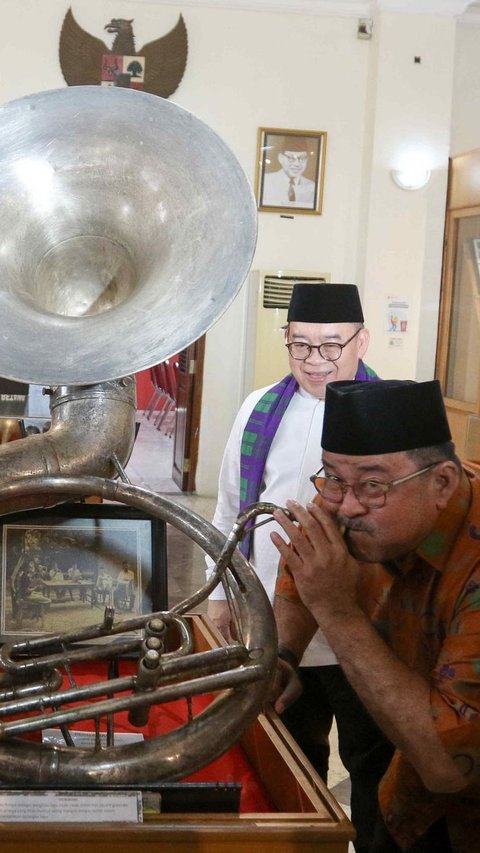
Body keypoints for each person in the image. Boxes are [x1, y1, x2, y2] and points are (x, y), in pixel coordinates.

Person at [271, 379, 480, 853]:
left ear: (442, 482)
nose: (344, 505)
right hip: (407, 797)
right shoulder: (350, 500)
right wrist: (284, 653)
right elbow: (303, 568)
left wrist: (337, 610)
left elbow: (448, 767)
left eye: (372, 484)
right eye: (332, 478)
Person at [206, 281, 381, 787]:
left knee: (372, 767)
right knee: (286, 763)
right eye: (300, 344)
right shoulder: (259, 407)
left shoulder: (388, 415)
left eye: (331, 345)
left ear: (361, 342)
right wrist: (220, 594)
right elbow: (229, 508)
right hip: (273, 622)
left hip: (361, 627)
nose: (314, 360)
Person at [261, 136, 316, 208]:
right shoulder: (266, 182)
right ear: (280, 158)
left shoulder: (312, 187)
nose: (297, 164)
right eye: (290, 158)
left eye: (302, 158)